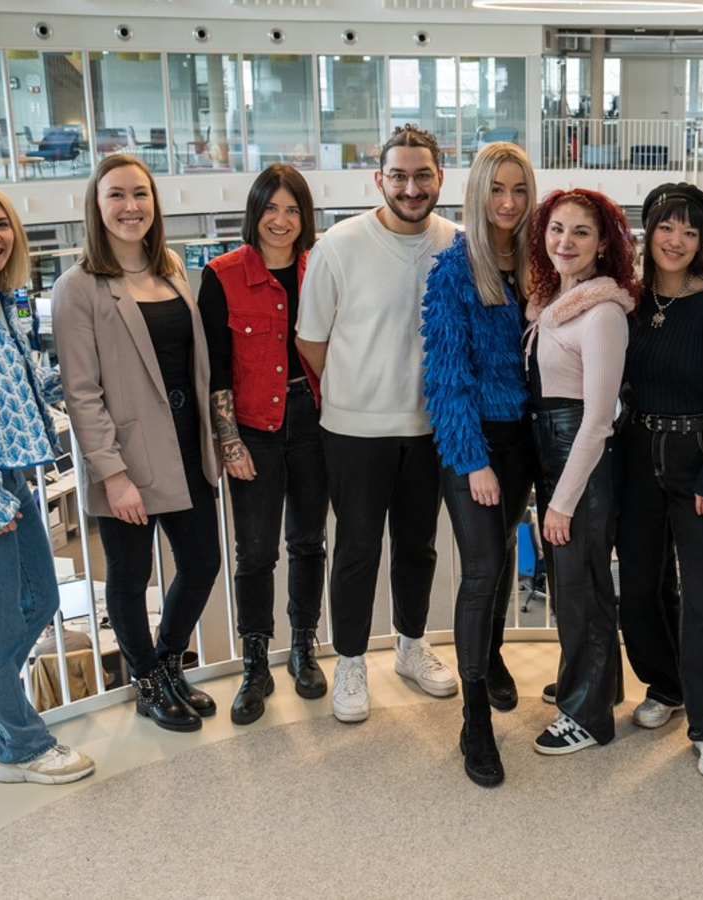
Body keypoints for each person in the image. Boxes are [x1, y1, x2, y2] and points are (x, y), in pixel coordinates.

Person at [295, 125, 459, 724]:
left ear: (440, 177)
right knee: (358, 548)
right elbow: (311, 341)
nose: (411, 188)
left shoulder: (458, 244)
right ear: (379, 179)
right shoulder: (339, 246)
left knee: (419, 545)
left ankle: (412, 646)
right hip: (354, 429)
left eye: (422, 175)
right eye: (399, 176)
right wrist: (360, 388)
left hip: (430, 426)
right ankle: (351, 661)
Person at [53, 155, 222, 733]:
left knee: (202, 562)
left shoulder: (170, 268)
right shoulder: (78, 287)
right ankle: (147, 684)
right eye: (117, 195)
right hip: (127, 457)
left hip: (186, 446)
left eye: (141, 194)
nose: (131, 206)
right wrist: (113, 473)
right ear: (96, 206)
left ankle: (169, 662)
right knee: (130, 577)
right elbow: (81, 392)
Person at [616, 182, 703, 778]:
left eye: (690, 231)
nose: (676, 240)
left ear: (702, 241)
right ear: (648, 231)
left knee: (702, 598)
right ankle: (665, 685)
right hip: (636, 453)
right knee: (641, 588)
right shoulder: (630, 299)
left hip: (696, 454)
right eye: (666, 227)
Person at [422, 142, 538, 787]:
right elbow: (447, 379)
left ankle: (491, 654)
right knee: (484, 569)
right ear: (477, 193)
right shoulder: (454, 270)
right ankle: (475, 720)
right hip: (476, 443)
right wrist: (472, 462)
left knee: (504, 556)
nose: (509, 202)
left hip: (527, 438)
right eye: (497, 189)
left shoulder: (540, 261)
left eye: (519, 189)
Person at [198, 164, 328, 726]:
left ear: (305, 217)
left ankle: (303, 647)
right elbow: (214, 366)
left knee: (308, 541)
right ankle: (255, 663)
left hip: (314, 420)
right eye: (271, 208)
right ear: (254, 212)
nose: (281, 220)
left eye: (292, 210)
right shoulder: (222, 275)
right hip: (252, 426)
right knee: (255, 552)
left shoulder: (320, 267)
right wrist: (229, 440)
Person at [523, 188, 638, 755]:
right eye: (556, 228)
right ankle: (596, 684)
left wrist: (562, 502)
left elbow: (597, 419)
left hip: (580, 461)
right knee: (576, 582)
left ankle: (587, 716)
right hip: (556, 452)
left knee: (581, 589)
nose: (565, 241)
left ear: (604, 245)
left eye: (581, 232)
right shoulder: (553, 302)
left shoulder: (602, 312)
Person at [0, 189, 97, 785]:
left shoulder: (3, 306)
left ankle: (7, 733)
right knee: (6, 622)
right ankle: (25, 746)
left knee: (41, 603)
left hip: (13, 475)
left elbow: (30, 384)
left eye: (0, 223)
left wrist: (90, 370)